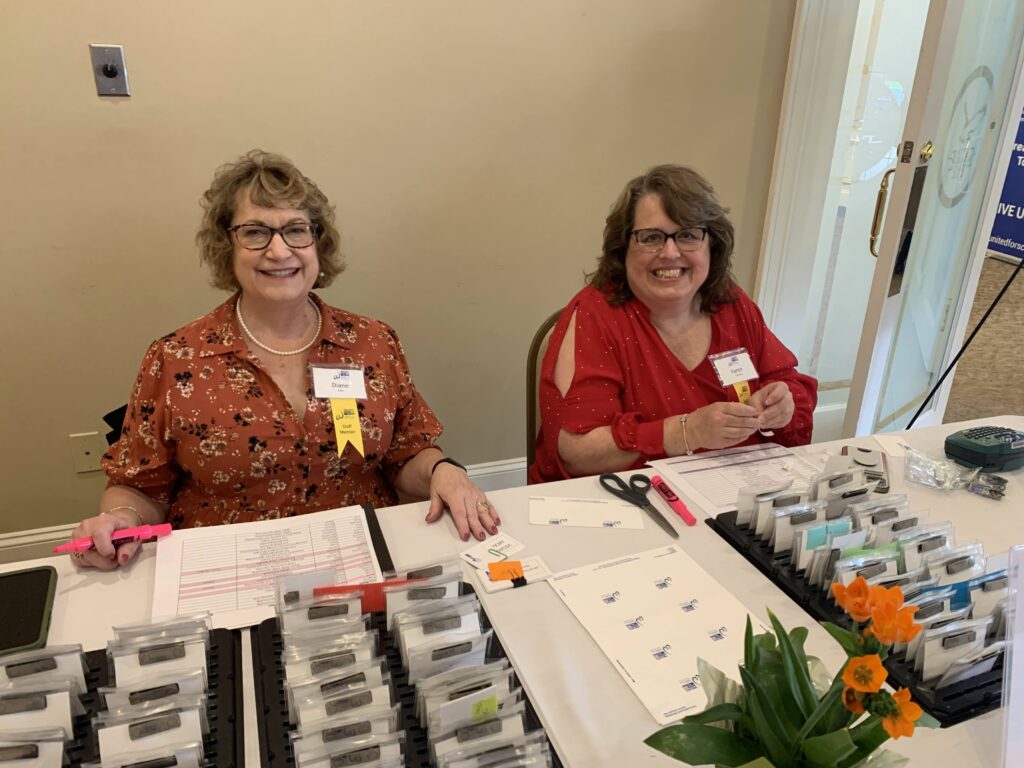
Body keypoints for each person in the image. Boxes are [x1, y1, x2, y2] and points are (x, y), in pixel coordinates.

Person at [72, 150, 499, 570]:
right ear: (227, 245)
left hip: (359, 561)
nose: (279, 252)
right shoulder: (175, 357)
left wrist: (442, 470)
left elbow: (407, 454)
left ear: (317, 242)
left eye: (296, 230)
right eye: (255, 232)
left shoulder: (372, 342)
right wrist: (120, 521)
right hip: (228, 573)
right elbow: (138, 486)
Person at [529, 164, 817, 483]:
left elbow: (788, 381)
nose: (670, 252)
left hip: (732, 489)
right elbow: (577, 450)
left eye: (688, 235)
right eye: (651, 237)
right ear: (623, 249)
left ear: (712, 246)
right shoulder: (595, 316)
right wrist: (686, 432)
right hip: (634, 502)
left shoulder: (732, 304)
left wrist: (783, 403)